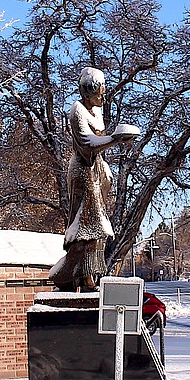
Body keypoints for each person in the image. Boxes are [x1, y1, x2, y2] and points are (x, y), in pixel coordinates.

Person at [49, 67, 137, 291]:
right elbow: (87, 145)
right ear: (88, 93)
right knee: (89, 225)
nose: (103, 96)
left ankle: (84, 276)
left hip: (96, 169)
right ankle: (78, 277)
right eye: (100, 93)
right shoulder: (77, 110)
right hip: (83, 171)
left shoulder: (95, 111)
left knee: (96, 225)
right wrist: (116, 138)